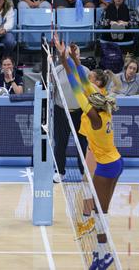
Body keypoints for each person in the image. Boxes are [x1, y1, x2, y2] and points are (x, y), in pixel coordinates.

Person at [54, 34, 122, 269]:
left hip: (107, 165)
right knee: (101, 211)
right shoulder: (103, 102)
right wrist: (71, 58)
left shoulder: (93, 115)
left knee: (100, 212)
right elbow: (83, 83)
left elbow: (76, 85)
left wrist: (66, 61)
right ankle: (103, 251)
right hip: (115, 160)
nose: (89, 87)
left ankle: (103, 255)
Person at [52, 45, 88, 183]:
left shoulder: (84, 71)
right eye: (69, 54)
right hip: (61, 111)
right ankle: (60, 172)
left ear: (79, 55)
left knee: (82, 144)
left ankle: (84, 172)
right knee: (60, 143)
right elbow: (52, 91)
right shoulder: (57, 71)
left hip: (80, 113)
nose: (72, 56)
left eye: (75, 54)